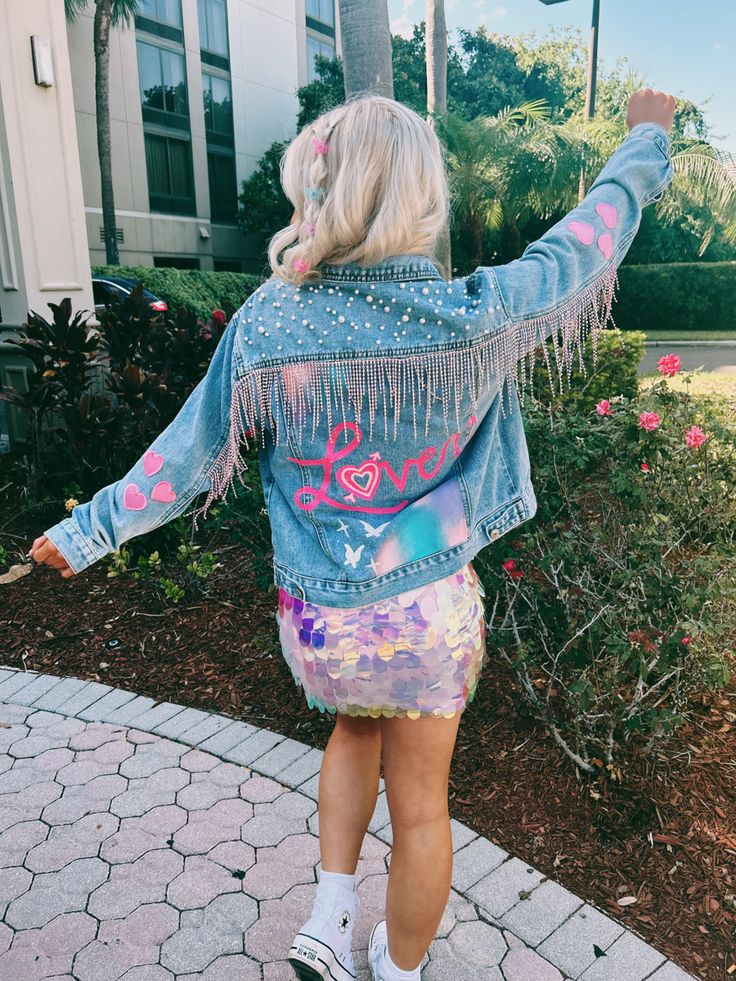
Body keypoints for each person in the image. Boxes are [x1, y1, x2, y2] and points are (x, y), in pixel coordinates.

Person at [31, 88, 676, 981]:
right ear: (420, 195)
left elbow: (186, 455)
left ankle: (327, 925)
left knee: (351, 735)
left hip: (325, 625)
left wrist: (86, 532)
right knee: (421, 809)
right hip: (428, 619)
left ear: (319, 193)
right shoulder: (474, 313)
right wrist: (645, 138)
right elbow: (585, 242)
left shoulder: (269, 320)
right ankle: (400, 969)